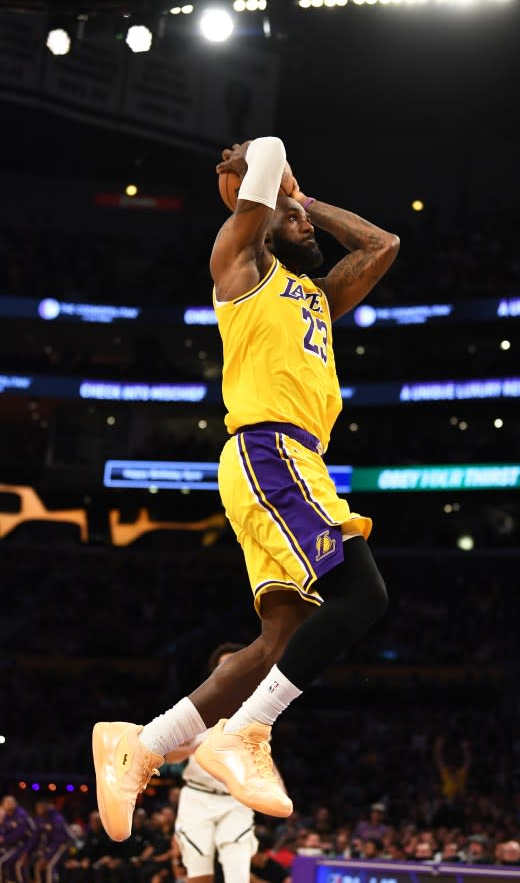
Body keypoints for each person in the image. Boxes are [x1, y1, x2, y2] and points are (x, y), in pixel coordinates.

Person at [92, 135, 399, 843]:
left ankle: (142, 744)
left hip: (295, 461)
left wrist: (306, 202)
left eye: (302, 216)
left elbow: (382, 245)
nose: (300, 222)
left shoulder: (315, 296)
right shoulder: (240, 267)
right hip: (270, 451)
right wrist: (274, 183)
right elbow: (267, 147)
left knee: (275, 644)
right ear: (257, 216)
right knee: (363, 594)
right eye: (288, 214)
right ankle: (245, 733)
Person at [163, 642, 260, 883]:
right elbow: (165, 754)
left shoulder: (258, 709)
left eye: (235, 663)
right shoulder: (197, 707)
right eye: (223, 664)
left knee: (237, 874)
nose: (228, 668)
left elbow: (264, 760)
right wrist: (195, 749)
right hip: (197, 801)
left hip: (235, 800)